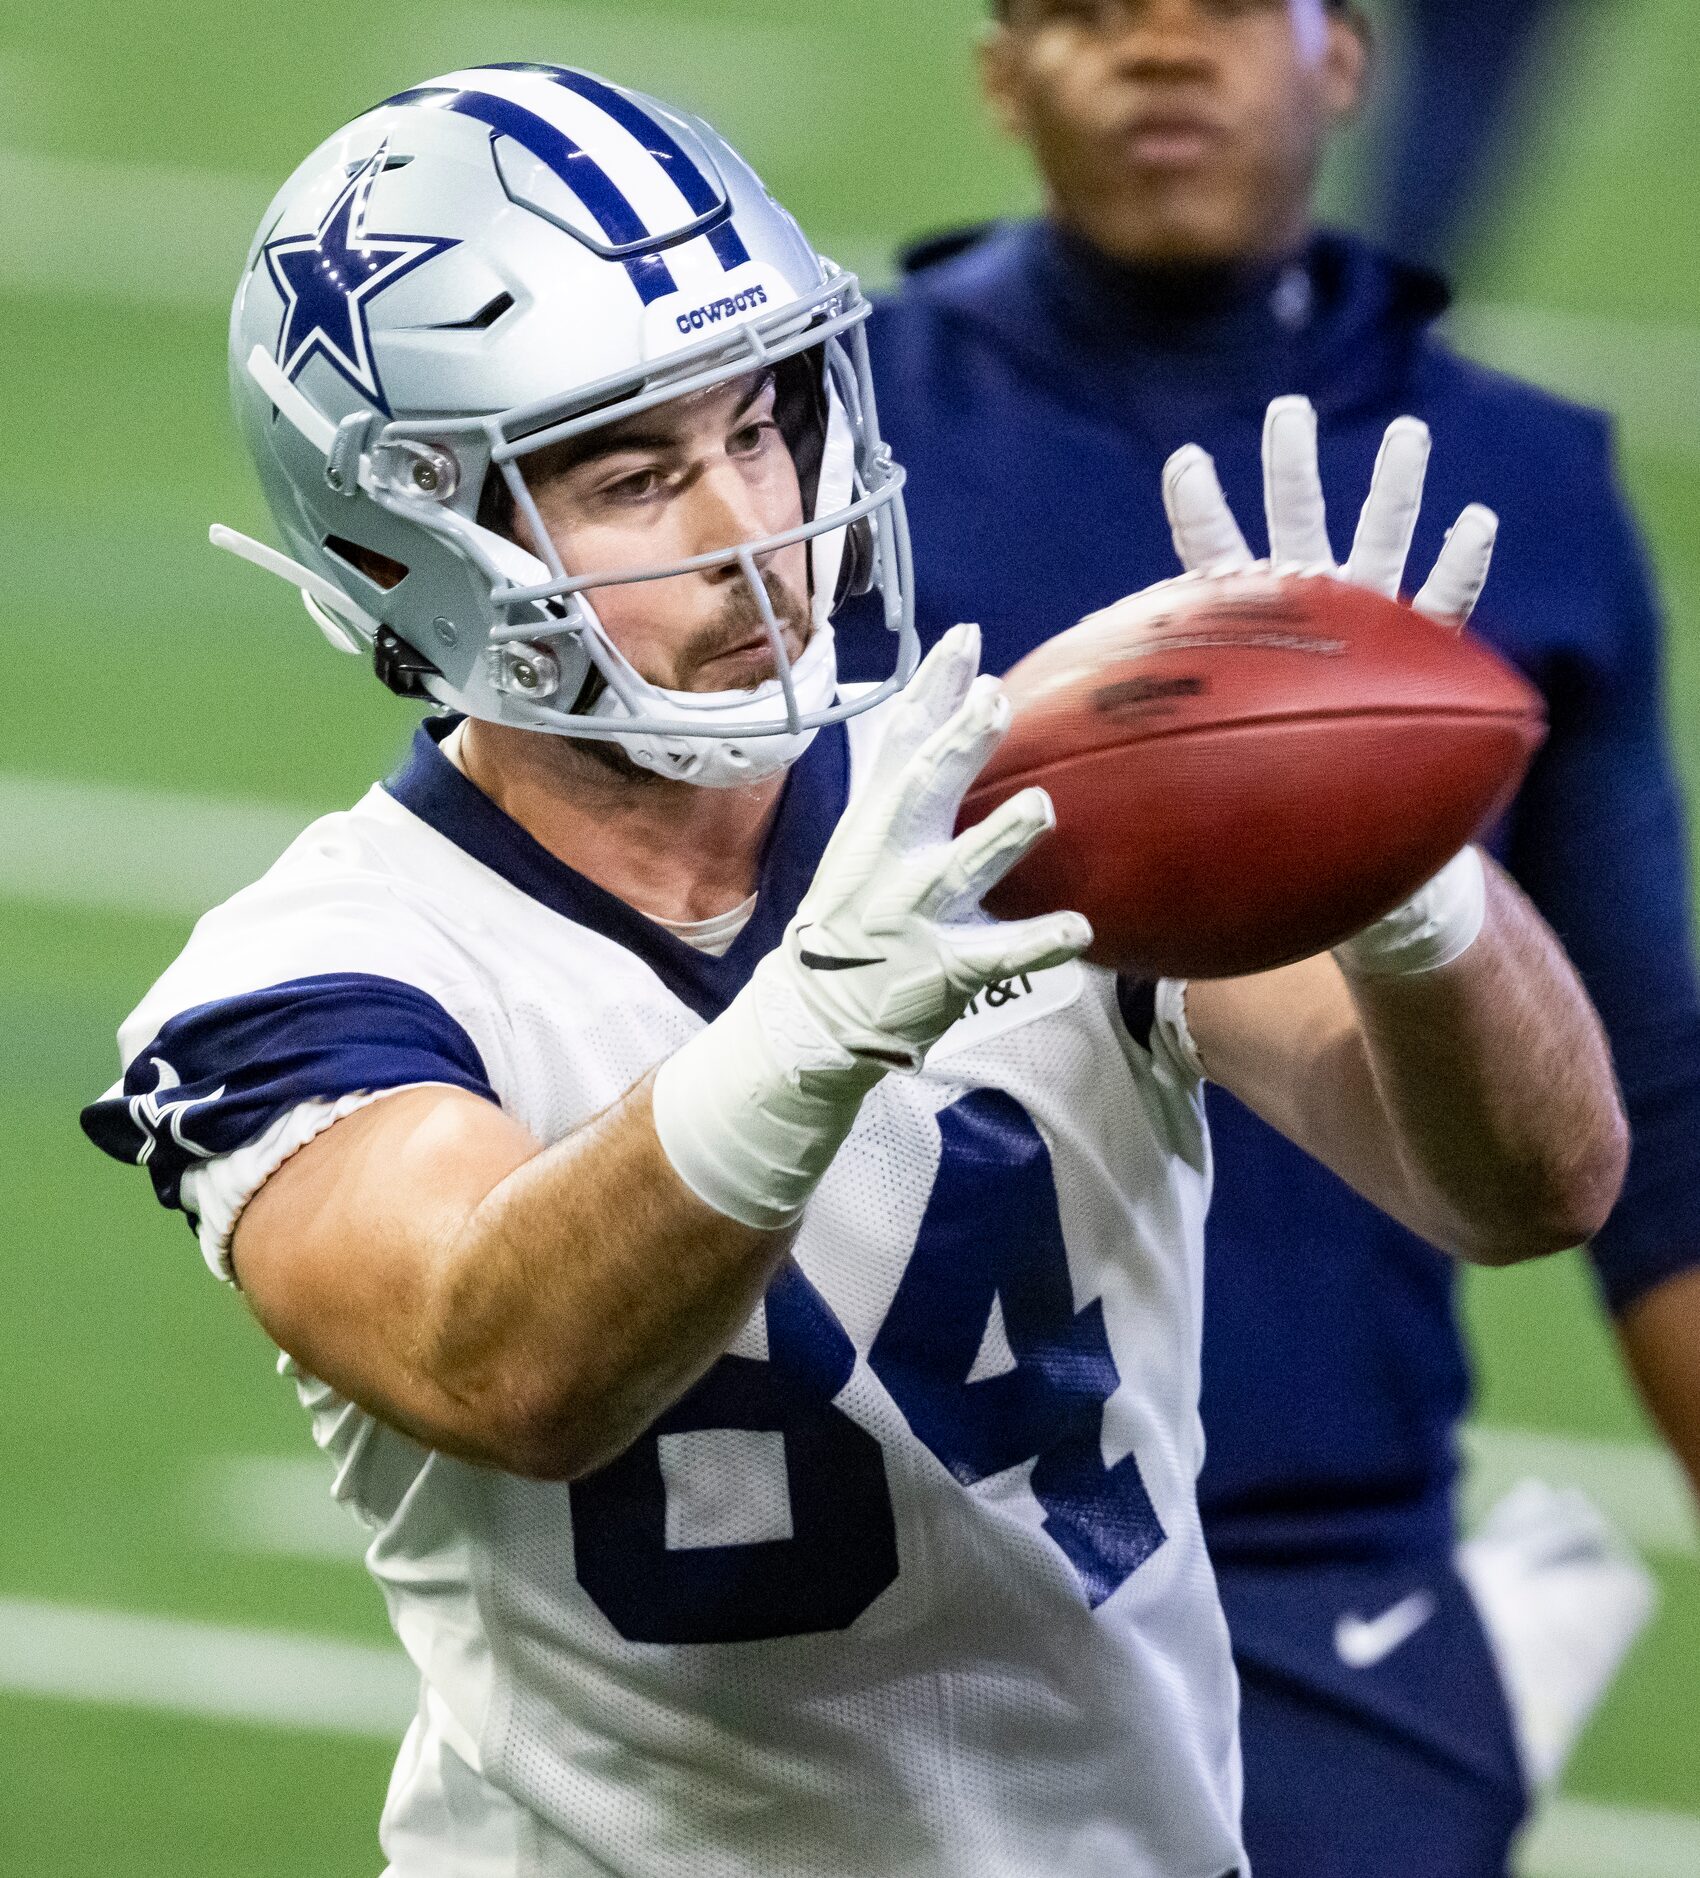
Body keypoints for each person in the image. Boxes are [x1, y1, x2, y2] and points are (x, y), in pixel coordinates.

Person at [84, 61, 1626, 1878]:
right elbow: (498, 1358)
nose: (750, 525)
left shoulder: (1011, 790)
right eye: (634, 475)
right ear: (400, 545)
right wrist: (813, 1021)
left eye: (760, 426)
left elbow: (1536, 1182)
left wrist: (1399, 872)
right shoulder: (314, 971)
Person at [834, 0, 1700, 1870]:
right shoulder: (821, 441)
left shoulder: (1531, 478)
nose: (1163, 50)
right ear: (998, 74)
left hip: (1317, 1549)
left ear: (1348, 58)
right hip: (897, 1539)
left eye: (1227, 5)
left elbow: (1664, 1124)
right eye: (1091, 10)